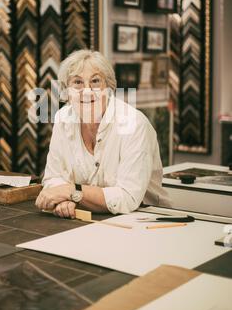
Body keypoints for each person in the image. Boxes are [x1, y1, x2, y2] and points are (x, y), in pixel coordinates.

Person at [35, 49, 170, 219]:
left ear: (109, 87)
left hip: (145, 218)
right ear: (66, 91)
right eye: (77, 82)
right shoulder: (63, 118)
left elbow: (127, 198)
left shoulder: (133, 123)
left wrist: (72, 192)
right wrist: (65, 200)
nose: (87, 91)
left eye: (95, 81)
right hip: (87, 217)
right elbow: (52, 178)